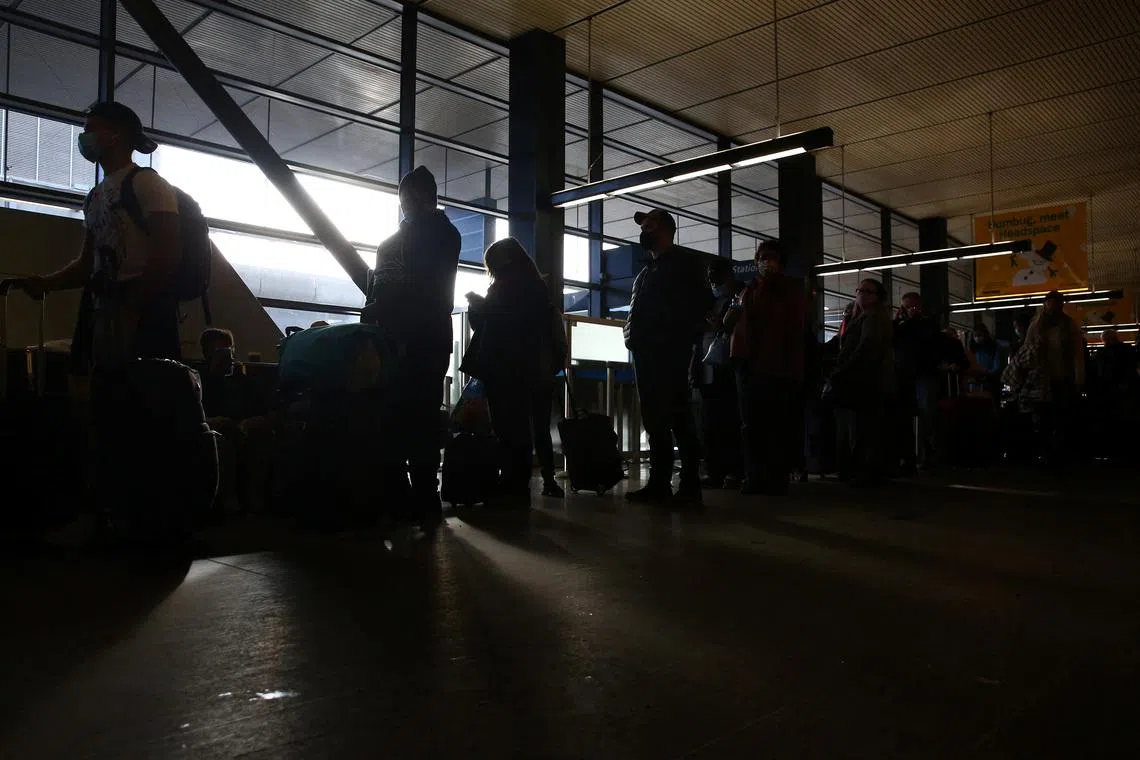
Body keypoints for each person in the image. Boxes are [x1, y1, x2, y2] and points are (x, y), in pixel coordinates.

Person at [16, 101, 181, 368]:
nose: (84, 138)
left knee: (143, 393)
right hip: (103, 303)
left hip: (143, 310)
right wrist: (45, 284)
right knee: (97, 387)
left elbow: (168, 253)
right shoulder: (94, 196)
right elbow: (86, 265)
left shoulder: (148, 183)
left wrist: (133, 307)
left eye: (91, 129)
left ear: (116, 135)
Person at [361, 166, 460, 528]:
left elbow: (414, 286)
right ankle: (420, 495)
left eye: (407, 199)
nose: (404, 206)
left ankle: (411, 495)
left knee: (404, 417)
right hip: (428, 337)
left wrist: (380, 309)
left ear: (419, 198)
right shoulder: (444, 234)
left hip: (411, 338)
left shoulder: (427, 235)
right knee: (418, 417)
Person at [461, 238, 561, 506]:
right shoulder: (534, 287)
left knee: (510, 428)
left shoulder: (513, 287)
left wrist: (482, 308)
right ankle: (515, 484)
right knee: (516, 428)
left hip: (506, 367)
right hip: (518, 367)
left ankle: (514, 485)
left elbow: (502, 324)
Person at [623, 209, 711, 505]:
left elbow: (702, 305)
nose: (643, 230)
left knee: (678, 416)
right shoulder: (648, 271)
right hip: (646, 354)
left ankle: (689, 486)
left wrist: (672, 336)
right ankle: (659, 483)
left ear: (664, 229)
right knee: (655, 420)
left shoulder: (684, 265)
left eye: (648, 225)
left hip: (669, 352)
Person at [726, 240, 806, 496]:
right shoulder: (748, 289)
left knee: (776, 423)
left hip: (776, 365)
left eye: (771, 258)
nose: (765, 262)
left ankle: (775, 475)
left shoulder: (790, 289)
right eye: (761, 257)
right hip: (748, 364)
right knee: (751, 423)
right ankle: (755, 475)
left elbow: (795, 327)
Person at [826, 279, 895, 485]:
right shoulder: (864, 317)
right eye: (859, 290)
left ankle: (864, 471)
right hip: (864, 379)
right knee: (862, 427)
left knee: (863, 428)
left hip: (866, 381)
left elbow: (865, 347)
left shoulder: (873, 318)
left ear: (877, 297)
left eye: (868, 292)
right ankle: (864, 469)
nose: (861, 295)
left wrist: (843, 369)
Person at [199, 328, 272, 512]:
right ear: (207, 354)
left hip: (242, 428)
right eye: (222, 352)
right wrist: (213, 421)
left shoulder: (242, 381)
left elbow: (264, 408)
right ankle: (227, 499)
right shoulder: (199, 380)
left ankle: (254, 497)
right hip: (216, 430)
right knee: (220, 443)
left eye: (230, 350)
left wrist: (257, 420)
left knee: (261, 438)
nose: (228, 357)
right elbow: (195, 414)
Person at [1010, 290, 1086, 465]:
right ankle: (1049, 452)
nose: (1051, 306)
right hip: (1042, 378)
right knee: (1045, 417)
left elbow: (1077, 354)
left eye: (1054, 303)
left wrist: (1078, 378)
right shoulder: (1040, 325)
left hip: (1059, 377)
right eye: (1050, 303)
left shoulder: (1065, 326)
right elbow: (1027, 350)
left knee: (1057, 416)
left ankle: (1054, 453)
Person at [691, 257, 744, 489]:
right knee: (709, 424)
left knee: (729, 422)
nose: (712, 280)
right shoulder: (708, 302)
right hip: (707, 370)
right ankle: (714, 471)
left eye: (716, 275)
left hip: (727, 371)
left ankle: (734, 471)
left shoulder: (739, 298)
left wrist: (719, 326)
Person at [893, 292, 945, 472]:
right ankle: (909, 457)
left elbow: (930, 342)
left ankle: (930, 456)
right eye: (908, 307)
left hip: (925, 374)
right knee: (905, 417)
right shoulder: (900, 325)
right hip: (906, 375)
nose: (912, 310)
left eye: (914, 307)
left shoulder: (929, 323)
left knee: (928, 414)